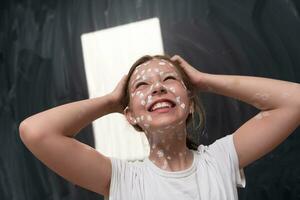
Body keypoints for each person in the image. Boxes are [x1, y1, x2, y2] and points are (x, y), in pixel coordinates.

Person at [19, 55, 300, 199]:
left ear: (189, 104)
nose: (157, 87)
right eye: (142, 85)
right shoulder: (123, 179)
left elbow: (295, 102)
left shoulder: (221, 160)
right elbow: (36, 131)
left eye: (169, 79)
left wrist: (203, 81)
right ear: (130, 115)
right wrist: (110, 101)